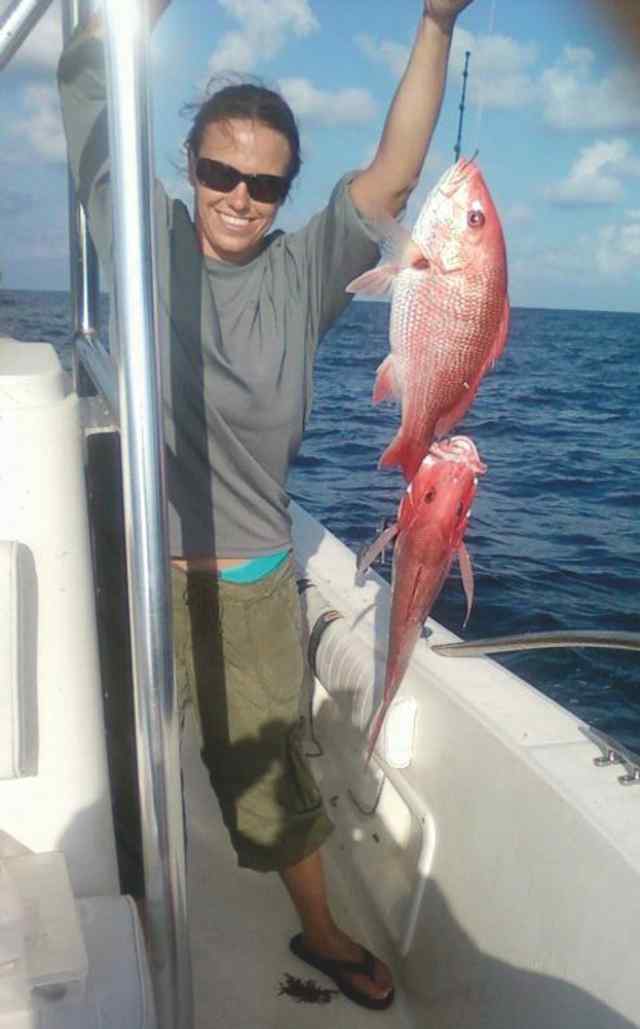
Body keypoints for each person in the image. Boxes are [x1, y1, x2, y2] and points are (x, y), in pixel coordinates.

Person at [57, 0, 474, 1010]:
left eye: (264, 183)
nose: (239, 197)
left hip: (245, 590)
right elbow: (85, 92)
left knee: (267, 787)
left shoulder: (303, 272)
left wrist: (434, 21)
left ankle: (322, 931)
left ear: (285, 192)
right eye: (218, 173)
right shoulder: (143, 241)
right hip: (134, 573)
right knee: (105, 762)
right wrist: (131, 16)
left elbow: (394, 175)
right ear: (188, 169)